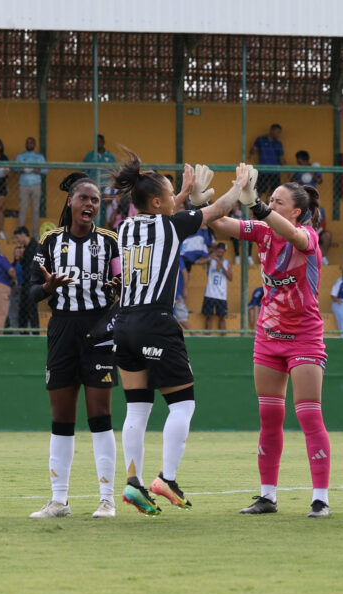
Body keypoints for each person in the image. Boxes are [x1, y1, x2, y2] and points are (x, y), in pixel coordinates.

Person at [112, 154, 249, 515]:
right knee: (183, 404)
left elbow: (166, 212)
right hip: (155, 323)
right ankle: (166, 479)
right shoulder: (171, 225)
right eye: (170, 193)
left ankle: (133, 483)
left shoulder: (126, 228)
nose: (176, 197)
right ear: (158, 202)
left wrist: (184, 192)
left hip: (123, 324)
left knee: (137, 409)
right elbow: (219, 209)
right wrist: (239, 184)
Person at [206, 172, 333, 517]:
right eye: (270, 199)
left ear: (296, 212)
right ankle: (267, 497)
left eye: (279, 201)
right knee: (269, 416)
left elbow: (293, 235)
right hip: (268, 336)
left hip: (304, 336)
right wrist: (203, 201)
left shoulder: (307, 236)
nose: (272, 204)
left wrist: (259, 206)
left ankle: (320, 499)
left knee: (309, 415)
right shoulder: (262, 231)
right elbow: (222, 224)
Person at [25, 172, 121, 519]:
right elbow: (31, 292)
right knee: (62, 418)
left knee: (100, 415)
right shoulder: (50, 242)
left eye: (95, 200)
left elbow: (123, 282)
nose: (90, 204)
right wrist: (48, 287)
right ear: (71, 202)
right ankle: (59, 500)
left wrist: (119, 287)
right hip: (62, 329)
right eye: (84, 198)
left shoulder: (110, 242)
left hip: (99, 329)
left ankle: (107, 499)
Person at [15, 137, 48, 231]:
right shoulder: (20, 156)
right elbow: (15, 169)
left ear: (35, 144)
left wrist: (39, 170)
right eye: (28, 142)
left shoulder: (39, 157)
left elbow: (46, 170)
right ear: (25, 144)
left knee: (35, 210)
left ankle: (35, 233)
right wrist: (21, 169)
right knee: (23, 209)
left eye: (31, 143)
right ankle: (20, 231)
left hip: (36, 184)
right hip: (23, 184)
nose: (29, 144)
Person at [13, 226, 41, 332]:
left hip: (32, 283)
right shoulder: (26, 248)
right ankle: (23, 332)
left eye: (17, 237)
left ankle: (34, 332)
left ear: (23, 234)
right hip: (26, 283)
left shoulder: (35, 247)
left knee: (31, 309)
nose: (17, 240)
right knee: (23, 310)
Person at [250, 124, 286, 199]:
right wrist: (251, 153)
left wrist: (287, 169)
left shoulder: (278, 143)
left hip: (275, 171)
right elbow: (253, 150)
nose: (279, 134)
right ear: (272, 131)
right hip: (263, 170)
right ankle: (255, 205)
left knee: (274, 192)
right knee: (260, 191)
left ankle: (269, 205)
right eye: (278, 132)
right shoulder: (261, 139)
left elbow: (281, 157)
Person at [202, 242, 231, 334]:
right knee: (209, 316)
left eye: (222, 252)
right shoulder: (211, 260)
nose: (220, 254)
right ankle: (207, 337)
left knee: (222, 317)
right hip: (210, 293)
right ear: (216, 251)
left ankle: (224, 338)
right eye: (218, 252)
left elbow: (230, 278)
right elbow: (199, 262)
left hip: (221, 295)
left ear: (224, 252)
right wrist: (211, 257)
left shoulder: (227, 263)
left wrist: (221, 265)